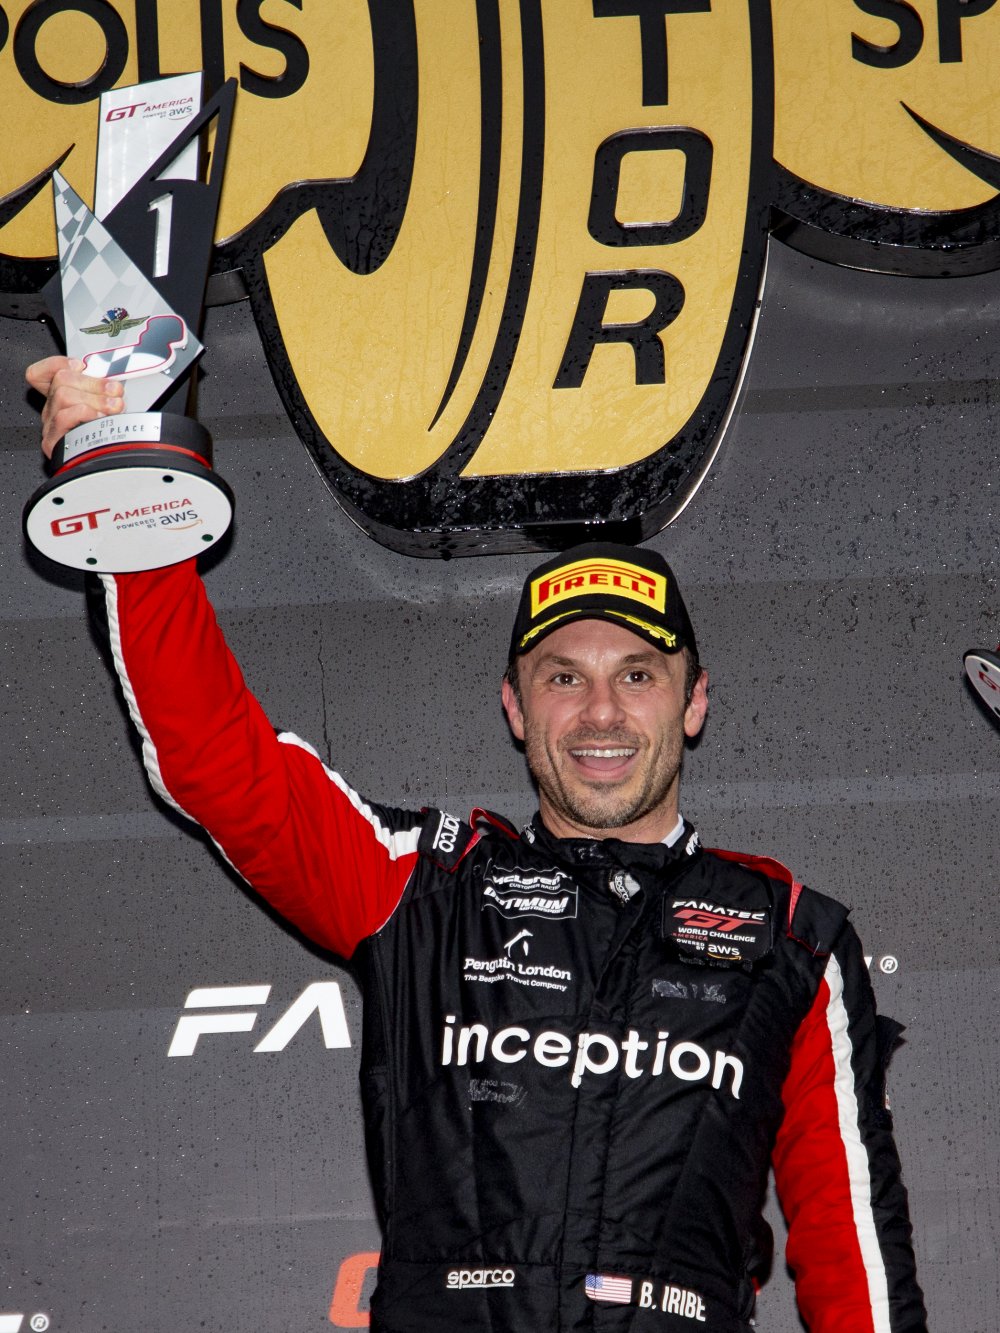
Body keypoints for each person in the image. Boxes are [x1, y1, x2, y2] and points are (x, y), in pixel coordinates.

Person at [27, 357, 927, 1333]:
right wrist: (127, 485)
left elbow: (853, 1259)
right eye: (562, 677)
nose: (601, 712)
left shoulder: (788, 936)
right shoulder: (424, 887)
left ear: (693, 701)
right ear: (514, 706)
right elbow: (213, 762)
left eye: (637, 675)